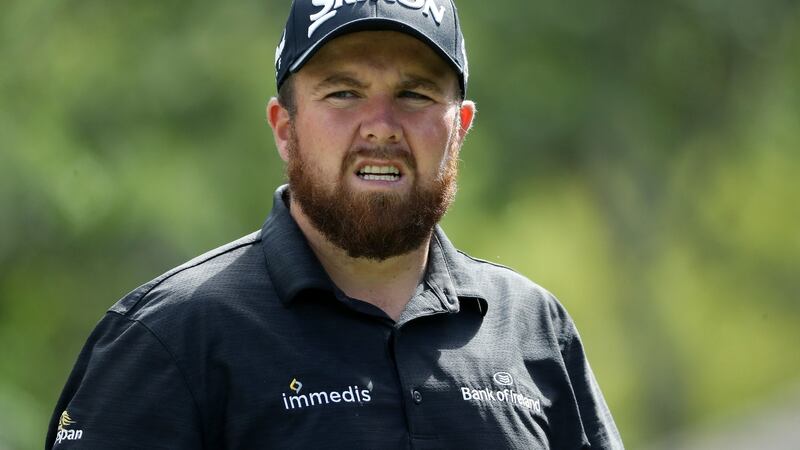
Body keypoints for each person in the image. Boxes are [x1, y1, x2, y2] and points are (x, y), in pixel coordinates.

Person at [47, 0, 623, 448]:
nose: (381, 125)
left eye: (415, 94)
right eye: (343, 93)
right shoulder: (168, 338)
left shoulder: (533, 329)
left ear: (461, 126)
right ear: (284, 127)